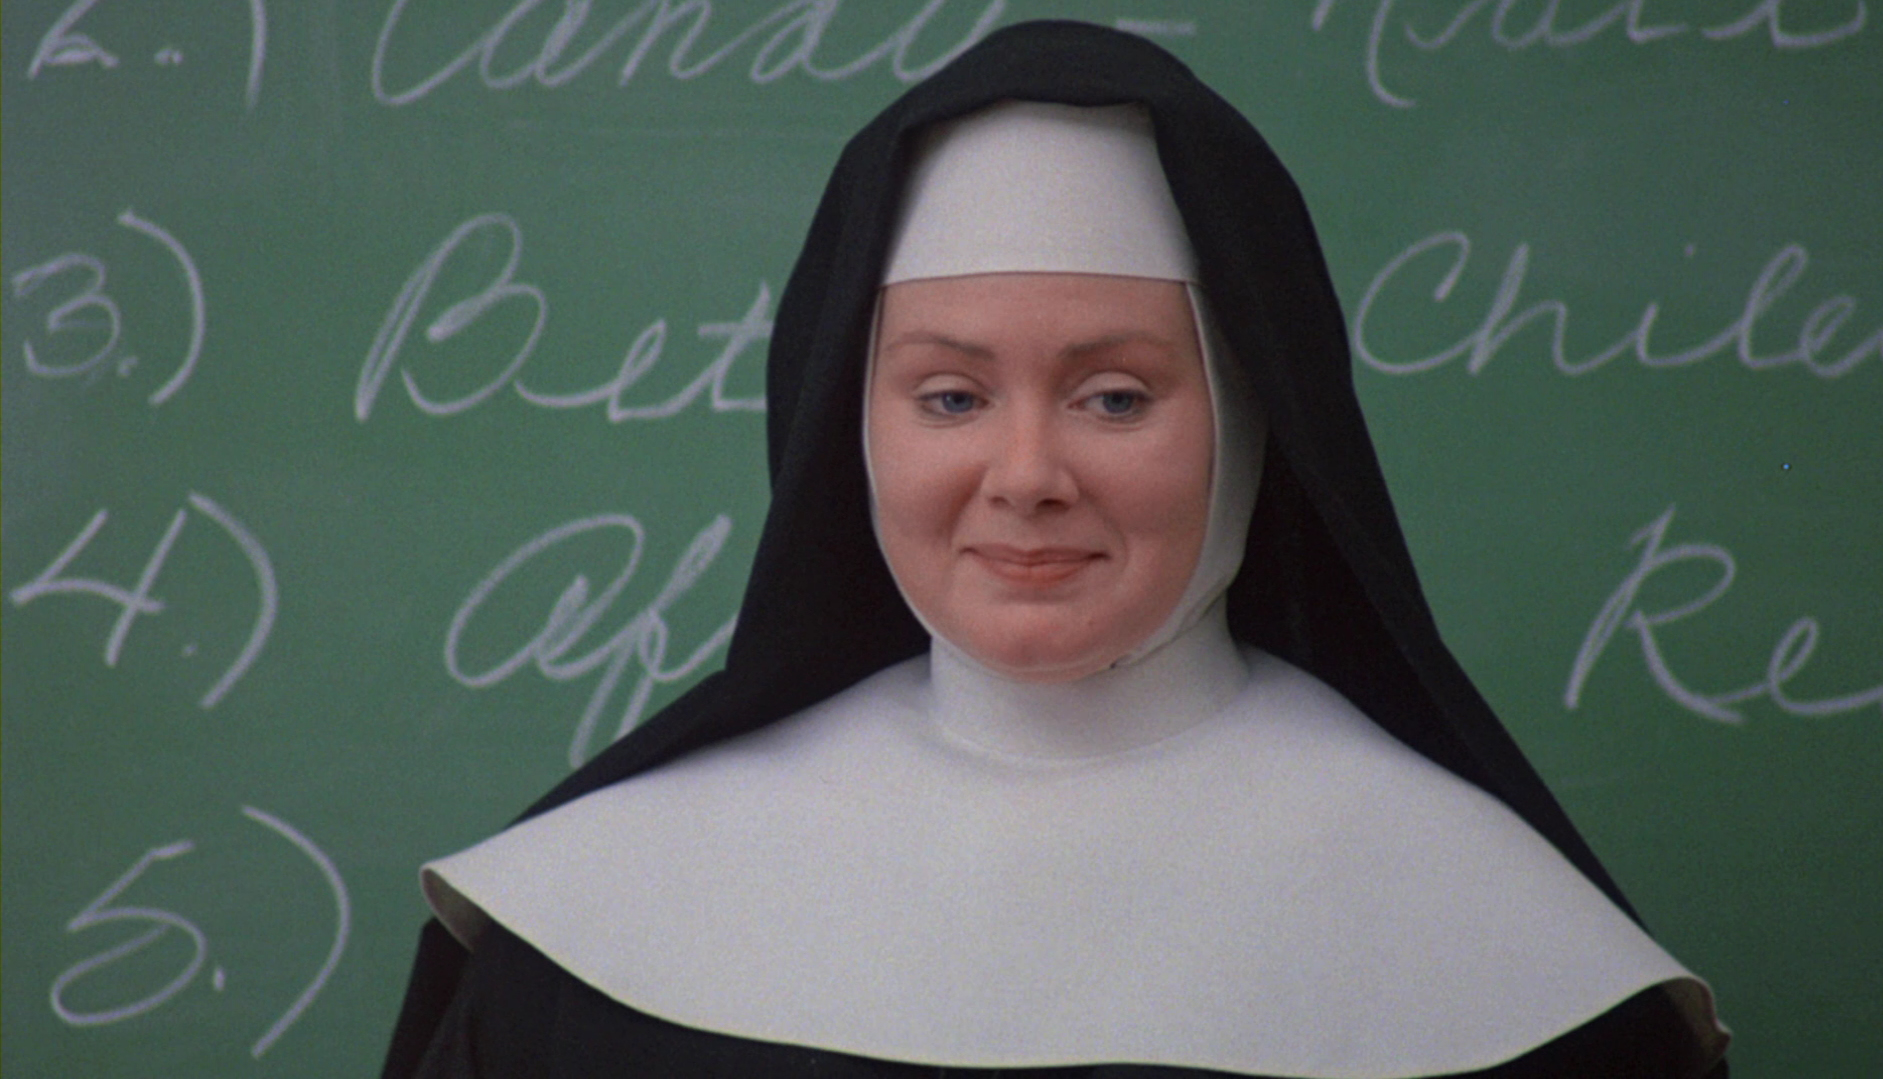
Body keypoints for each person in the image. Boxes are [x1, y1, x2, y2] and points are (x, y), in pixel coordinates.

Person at [383, 21, 1728, 1078]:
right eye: (949, 398)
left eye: (1116, 398)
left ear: (1251, 421)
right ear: (853, 427)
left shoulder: (1516, 972)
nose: (1025, 478)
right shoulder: (584, 943)